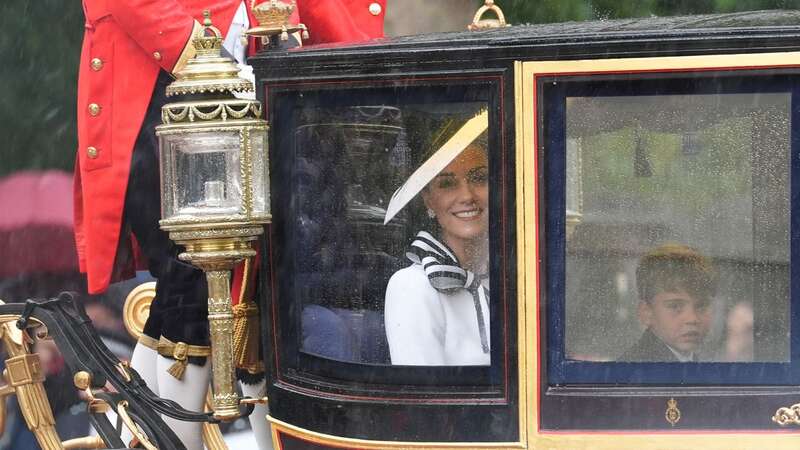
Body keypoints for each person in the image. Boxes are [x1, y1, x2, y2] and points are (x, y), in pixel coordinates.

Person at [74, 1, 385, 448]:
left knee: (263, 292)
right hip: (169, 83)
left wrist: (341, 58)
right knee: (195, 279)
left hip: (265, 78)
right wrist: (205, 59)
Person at [383, 110, 490, 366]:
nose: (467, 196)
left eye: (479, 178)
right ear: (428, 200)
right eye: (447, 184)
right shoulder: (411, 287)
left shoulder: (518, 275)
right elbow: (425, 400)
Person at [619, 243, 717, 362]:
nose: (692, 319)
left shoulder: (696, 361)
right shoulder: (637, 368)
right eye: (675, 306)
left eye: (701, 306)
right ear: (646, 313)